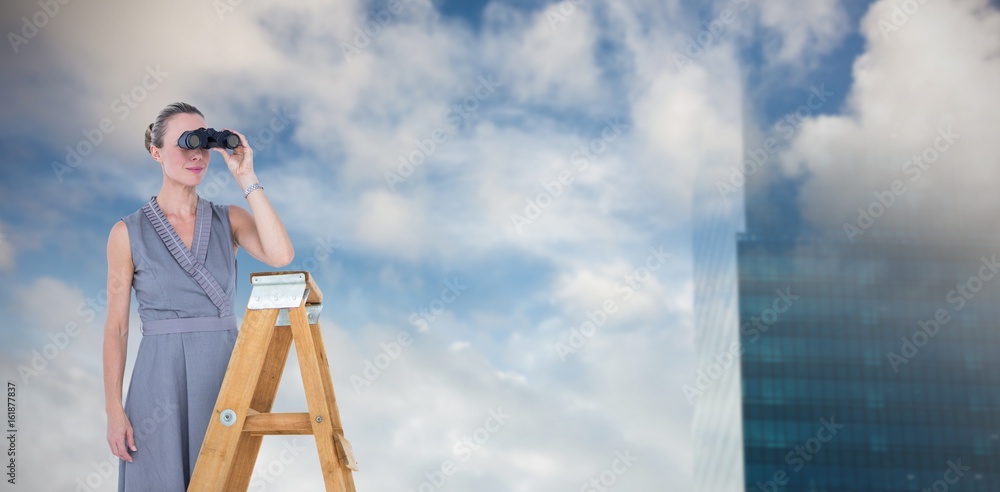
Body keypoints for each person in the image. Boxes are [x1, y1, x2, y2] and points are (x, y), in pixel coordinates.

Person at [102, 102, 294, 491]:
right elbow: (117, 328)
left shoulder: (230, 219)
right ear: (155, 152)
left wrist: (246, 176)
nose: (196, 155)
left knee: (221, 480)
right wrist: (113, 410)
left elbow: (281, 255)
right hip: (158, 383)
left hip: (224, 377)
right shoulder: (126, 233)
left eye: (204, 143)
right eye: (184, 143)